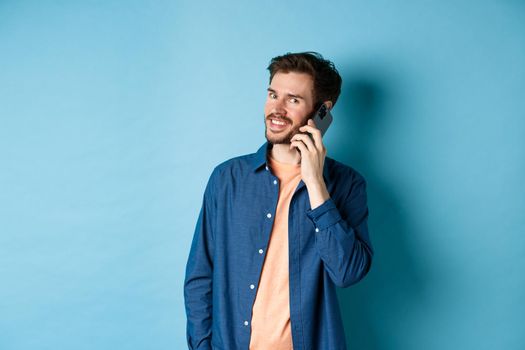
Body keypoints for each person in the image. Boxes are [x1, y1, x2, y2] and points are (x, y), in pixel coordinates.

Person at [184, 52, 374, 350]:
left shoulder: (346, 184)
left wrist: (314, 182)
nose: (277, 109)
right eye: (273, 95)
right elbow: (199, 276)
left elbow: (347, 272)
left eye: (293, 100)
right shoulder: (227, 179)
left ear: (321, 112)